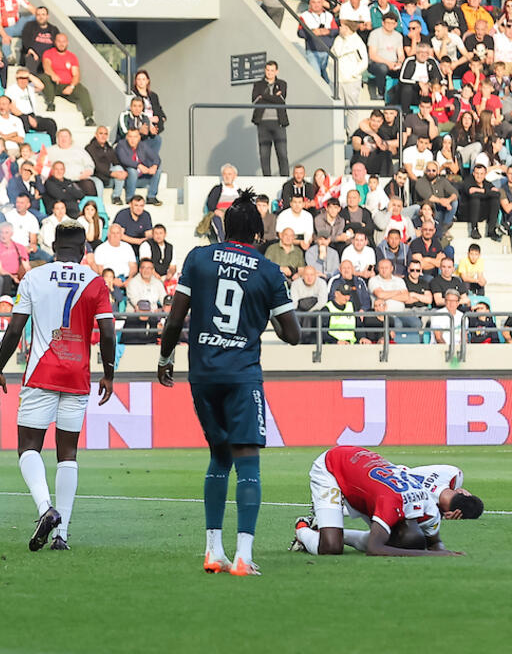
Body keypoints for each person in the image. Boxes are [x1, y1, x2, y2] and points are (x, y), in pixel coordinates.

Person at [158, 190, 301, 576]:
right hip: (241, 374)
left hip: (203, 374)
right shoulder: (268, 271)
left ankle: (213, 551)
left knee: (219, 456)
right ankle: (243, 556)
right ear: (256, 234)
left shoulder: (198, 258)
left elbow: (175, 320)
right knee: (247, 461)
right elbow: (293, 334)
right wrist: (267, 315)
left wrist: (165, 358)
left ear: (224, 229)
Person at [0, 220, 116, 552]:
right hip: (77, 375)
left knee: (28, 447)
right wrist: (109, 373)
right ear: (84, 250)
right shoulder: (96, 282)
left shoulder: (34, 277)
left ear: (54, 248)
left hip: (42, 372)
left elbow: (15, 329)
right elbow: (107, 333)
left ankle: (46, 508)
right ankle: (62, 535)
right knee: (68, 454)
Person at [290, 445, 476, 556]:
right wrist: (429, 556)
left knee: (374, 537)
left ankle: (324, 530)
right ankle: (302, 529)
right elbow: (374, 548)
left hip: (366, 480)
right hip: (334, 465)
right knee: (331, 547)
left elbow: (435, 544)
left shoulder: (430, 512)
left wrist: (443, 552)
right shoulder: (391, 505)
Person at [250, 61, 289, 176]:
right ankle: (267, 179)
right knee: (264, 155)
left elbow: (281, 100)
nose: (269, 73)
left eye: (272, 70)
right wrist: (273, 97)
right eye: (267, 70)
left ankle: (285, 178)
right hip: (263, 123)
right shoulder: (258, 84)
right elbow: (255, 100)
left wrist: (264, 96)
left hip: (279, 123)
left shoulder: (282, 84)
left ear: (276, 71)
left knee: (282, 153)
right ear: (265, 70)